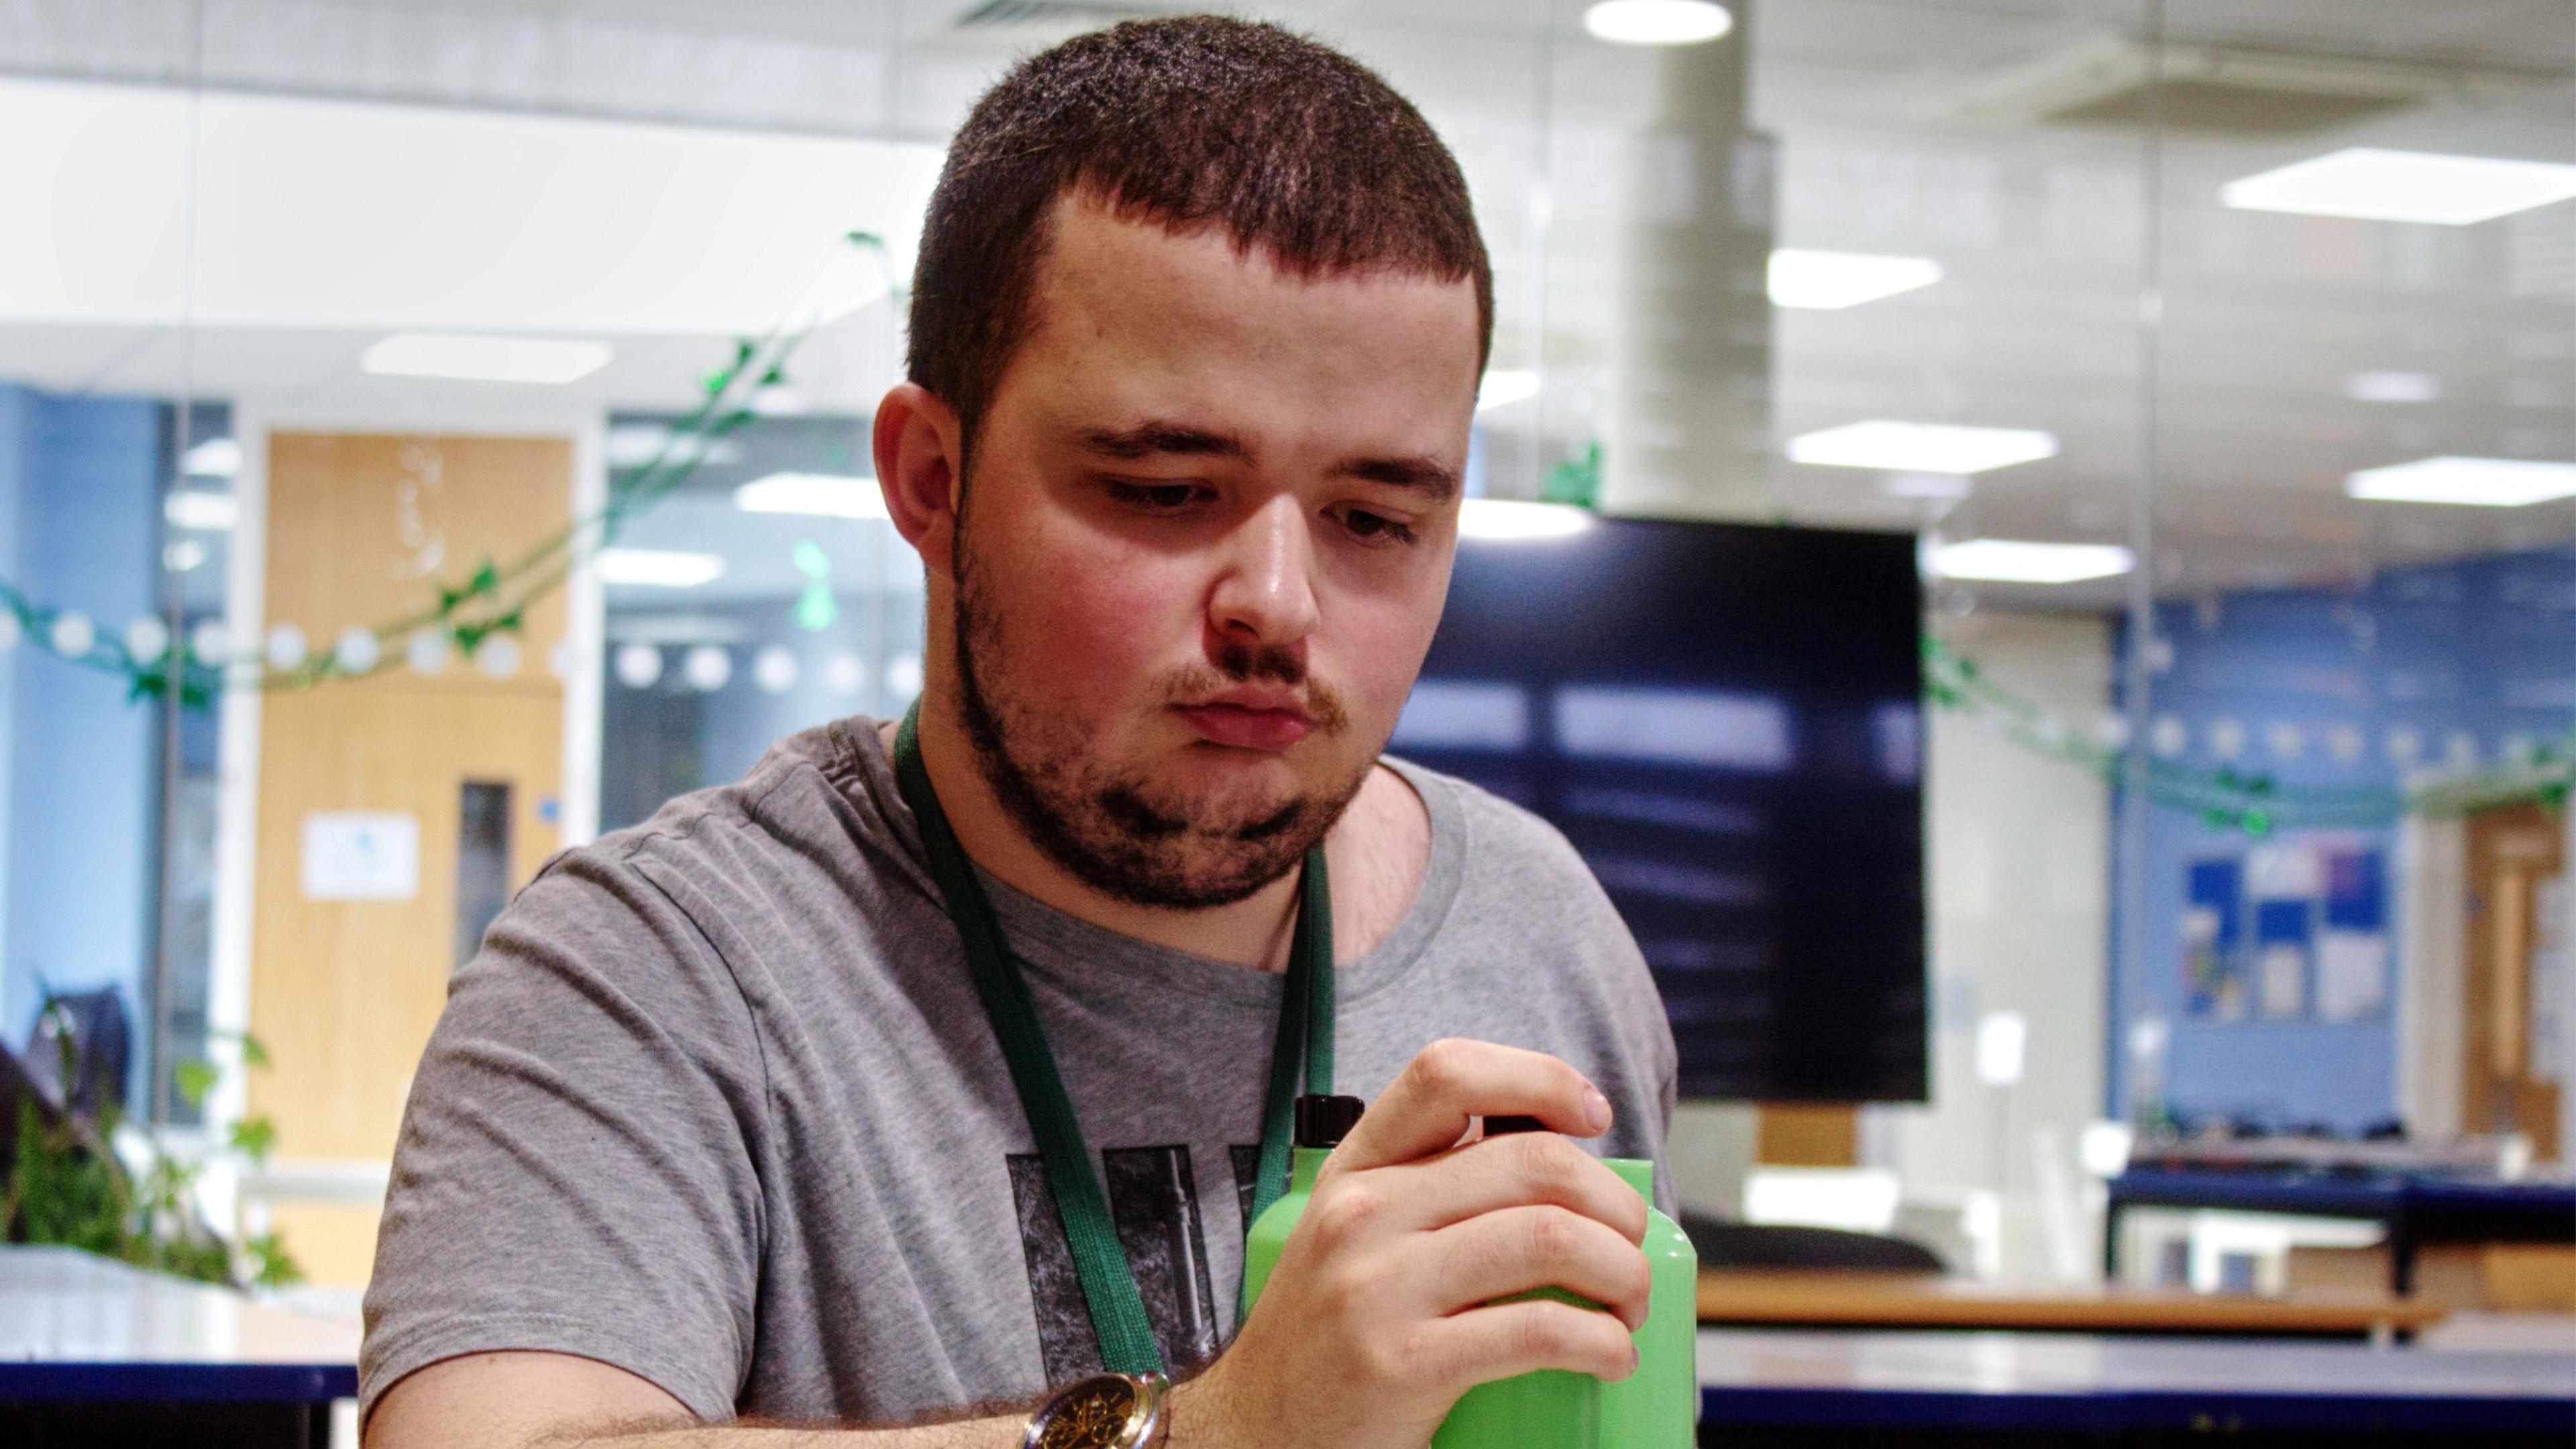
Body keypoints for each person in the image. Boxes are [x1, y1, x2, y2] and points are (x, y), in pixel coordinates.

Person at [363, 15, 1675, 1448]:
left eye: (1377, 520)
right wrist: (1215, 1434)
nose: (1280, 609)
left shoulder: (1539, 931)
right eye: (1168, 489)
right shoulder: (662, 974)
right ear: (933, 481)